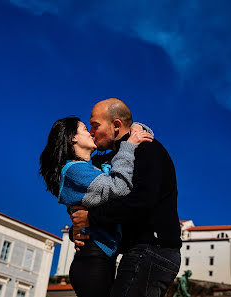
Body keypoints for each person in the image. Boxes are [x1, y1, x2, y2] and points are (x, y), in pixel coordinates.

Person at [71, 98, 182, 297]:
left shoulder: (147, 148)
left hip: (153, 250)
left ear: (116, 125)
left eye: (95, 126)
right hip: (141, 252)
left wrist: (91, 218)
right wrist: (79, 228)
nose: (91, 132)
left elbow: (142, 201)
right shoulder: (114, 157)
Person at [39, 116, 153, 297]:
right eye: (85, 129)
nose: (91, 133)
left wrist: (135, 128)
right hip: (92, 260)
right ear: (73, 138)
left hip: (102, 259)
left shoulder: (94, 167)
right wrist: (129, 146)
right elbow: (119, 188)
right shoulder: (73, 170)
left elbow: (144, 136)